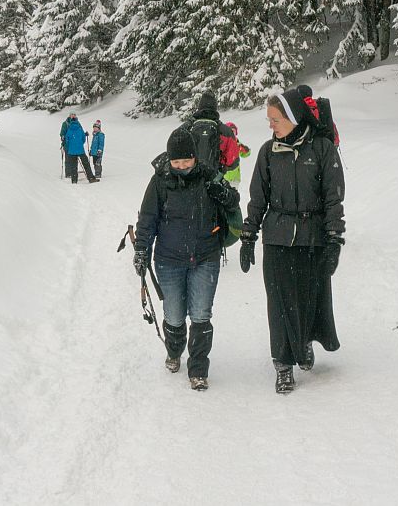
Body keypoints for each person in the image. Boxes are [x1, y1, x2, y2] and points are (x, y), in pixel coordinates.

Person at [239, 85, 345, 394]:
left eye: (275, 119)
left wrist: (334, 239)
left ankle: (305, 343)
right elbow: (257, 198)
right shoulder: (267, 152)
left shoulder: (322, 149)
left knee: (309, 298)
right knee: (279, 303)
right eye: (269, 120)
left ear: (294, 117)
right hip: (277, 238)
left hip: (313, 239)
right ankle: (283, 364)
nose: (270, 125)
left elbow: (333, 199)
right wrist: (249, 234)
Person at [133, 127, 240, 391]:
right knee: (175, 315)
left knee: (201, 314)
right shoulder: (159, 181)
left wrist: (225, 194)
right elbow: (147, 220)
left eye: (186, 160)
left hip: (205, 257)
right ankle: (174, 349)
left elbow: (233, 203)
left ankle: (198, 369)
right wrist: (142, 250)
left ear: (194, 157)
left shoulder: (209, 176)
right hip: (168, 260)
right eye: (176, 161)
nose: (181, 166)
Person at [179, 91, 239, 174]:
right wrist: (220, 167)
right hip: (213, 178)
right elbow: (233, 161)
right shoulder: (225, 131)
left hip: (189, 178)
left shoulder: (186, 128)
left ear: (199, 107)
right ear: (215, 107)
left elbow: (174, 152)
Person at [63, 113, 99, 184]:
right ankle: (91, 178)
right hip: (80, 150)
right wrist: (79, 144)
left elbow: (67, 140)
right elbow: (83, 138)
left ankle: (74, 180)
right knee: (86, 164)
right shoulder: (79, 128)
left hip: (71, 151)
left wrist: (71, 146)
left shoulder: (69, 130)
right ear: (77, 121)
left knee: (73, 166)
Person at [222, 122, 252, 188]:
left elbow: (245, 154)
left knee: (233, 195)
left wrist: (246, 150)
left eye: (234, 131)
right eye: (230, 131)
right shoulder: (222, 143)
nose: (232, 133)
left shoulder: (238, 144)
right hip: (224, 176)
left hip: (235, 177)